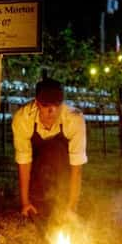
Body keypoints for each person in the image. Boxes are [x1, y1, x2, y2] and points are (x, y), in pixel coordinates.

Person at [11, 78, 87, 219]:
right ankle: (37, 198)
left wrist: (72, 207)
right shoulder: (23, 119)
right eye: (46, 105)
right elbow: (24, 162)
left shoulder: (74, 120)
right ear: (37, 103)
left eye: (56, 105)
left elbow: (77, 167)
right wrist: (25, 203)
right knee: (40, 205)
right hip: (37, 164)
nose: (51, 111)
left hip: (63, 166)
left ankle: (63, 200)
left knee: (57, 153)